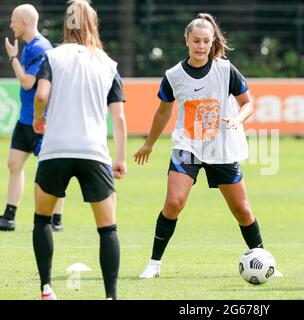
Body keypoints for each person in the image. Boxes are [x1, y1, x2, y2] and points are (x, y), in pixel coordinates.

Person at [134, 13, 279, 279]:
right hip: (187, 145)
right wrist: (148, 144)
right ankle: (154, 263)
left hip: (221, 147)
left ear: (213, 43)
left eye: (206, 41)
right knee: (174, 203)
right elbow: (163, 113)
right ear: (187, 41)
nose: (201, 46)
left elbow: (248, 103)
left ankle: (263, 258)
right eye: (196, 41)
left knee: (242, 210)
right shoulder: (173, 75)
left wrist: (237, 119)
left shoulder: (226, 70)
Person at [32, 0, 127, 300]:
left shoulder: (52, 56)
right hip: (94, 152)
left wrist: (38, 118)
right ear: (93, 24)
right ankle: (110, 296)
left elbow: (42, 94)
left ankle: (47, 288)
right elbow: (120, 118)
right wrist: (120, 157)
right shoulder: (107, 63)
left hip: (56, 150)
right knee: (107, 228)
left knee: (41, 220)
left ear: (66, 23)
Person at [1, 4, 64, 232]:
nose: (11, 25)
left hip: (42, 121)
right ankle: (9, 216)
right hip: (26, 118)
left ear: (24, 22)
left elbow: (28, 81)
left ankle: (56, 219)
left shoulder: (41, 47)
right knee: (13, 164)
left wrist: (13, 58)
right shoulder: (29, 46)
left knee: (51, 168)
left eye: (13, 21)